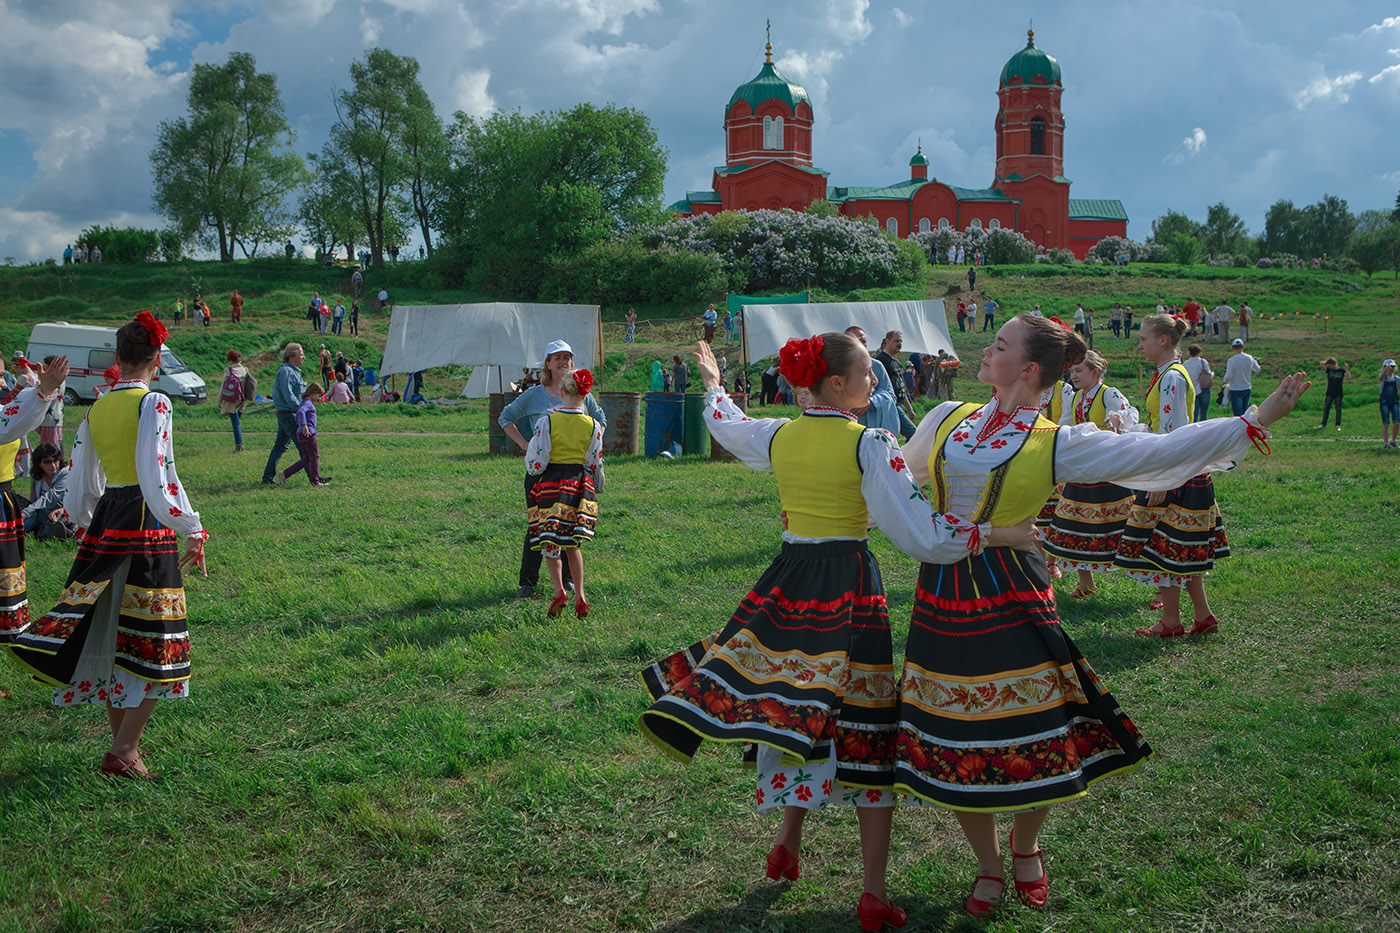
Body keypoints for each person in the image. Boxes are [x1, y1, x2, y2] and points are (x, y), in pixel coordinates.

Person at [897, 312, 1312, 917]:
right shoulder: (945, 417)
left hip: (1013, 590)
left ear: (1031, 368)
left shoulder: (1056, 441)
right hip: (942, 588)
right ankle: (987, 863)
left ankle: (1026, 846)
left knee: (1033, 720)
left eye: (1001, 344)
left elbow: (1159, 449)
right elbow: (897, 475)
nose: (986, 350)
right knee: (959, 729)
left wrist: (1254, 421)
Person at [640, 336, 1036, 932]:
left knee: (801, 704)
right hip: (848, 587)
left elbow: (729, 425)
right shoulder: (870, 443)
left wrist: (714, 384)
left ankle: (787, 839)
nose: (874, 381)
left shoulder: (779, 434)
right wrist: (995, 535)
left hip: (789, 577)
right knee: (864, 726)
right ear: (835, 385)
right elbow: (920, 533)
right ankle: (872, 892)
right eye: (866, 375)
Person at [8, 313, 205, 780]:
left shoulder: (97, 408)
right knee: (156, 637)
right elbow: (159, 475)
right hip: (144, 522)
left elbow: (80, 481)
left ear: (116, 359)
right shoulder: (154, 403)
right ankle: (123, 750)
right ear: (156, 359)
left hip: (107, 522)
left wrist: (83, 523)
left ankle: (125, 750)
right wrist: (190, 524)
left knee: (117, 632)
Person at [1116, 315, 1225, 637]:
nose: (1139, 345)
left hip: (1175, 474)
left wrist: (1164, 479)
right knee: (1179, 548)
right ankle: (1202, 616)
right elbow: (1162, 427)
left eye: (1144, 339)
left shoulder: (1172, 378)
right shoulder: (1168, 375)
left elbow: (1174, 432)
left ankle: (1171, 622)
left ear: (1163, 340)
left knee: (1158, 548)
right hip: (1180, 471)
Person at [498, 340, 607, 599]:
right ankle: (528, 582)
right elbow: (505, 418)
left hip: (573, 473)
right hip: (542, 473)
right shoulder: (535, 395)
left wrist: (587, 445)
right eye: (557, 357)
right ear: (547, 363)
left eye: (567, 357)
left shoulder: (583, 394)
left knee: (570, 525)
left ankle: (568, 581)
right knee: (538, 524)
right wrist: (526, 445)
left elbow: (600, 422)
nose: (563, 362)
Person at [1043, 350, 1139, 598]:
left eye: (1079, 371)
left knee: (1126, 525)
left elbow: (1131, 413)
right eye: (1072, 371)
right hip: (1083, 469)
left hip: (1108, 469)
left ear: (1095, 373)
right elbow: (1066, 425)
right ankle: (1086, 583)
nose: (1073, 375)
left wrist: (1117, 417)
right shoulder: (1075, 398)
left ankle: (1156, 583)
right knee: (1074, 523)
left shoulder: (1109, 393)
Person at [525, 369, 603, 619]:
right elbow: (594, 461)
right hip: (578, 486)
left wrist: (533, 470)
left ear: (561, 392)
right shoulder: (593, 425)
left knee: (550, 541)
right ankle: (580, 595)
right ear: (585, 395)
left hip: (552, 486)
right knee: (573, 543)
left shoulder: (547, 422)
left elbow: (539, 460)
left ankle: (559, 590)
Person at [261, 344, 307, 485]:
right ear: (292, 355)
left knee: (280, 446)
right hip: (289, 414)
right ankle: (314, 477)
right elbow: (289, 395)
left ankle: (268, 477)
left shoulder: (294, 371)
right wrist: (301, 409)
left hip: (286, 414)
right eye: (301, 354)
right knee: (304, 445)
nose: (303, 357)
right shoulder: (286, 372)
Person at [276, 384, 330, 486]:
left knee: (307, 458)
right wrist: (305, 425)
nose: (318, 398)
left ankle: (285, 474)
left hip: (301, 433)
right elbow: (300, 413)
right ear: (313, 393)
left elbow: (299, 414)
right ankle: (315, 481)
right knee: (314, 457)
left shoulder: (303, 402)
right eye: (318, 396)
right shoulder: (307, 403)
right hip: (308, 433)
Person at [23, 443, 72, 540]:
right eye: (47, 462)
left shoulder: (65, 473)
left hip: (62, 511)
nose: (53, 465)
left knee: (37, 517)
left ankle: (62, 532)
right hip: (41, 511)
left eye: (55, 460)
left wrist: (26, 512)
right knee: (32, 517)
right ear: (39, 464)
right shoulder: (37, 476)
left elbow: (51, 496)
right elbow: (34, 499)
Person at [875, 331, 917, 439]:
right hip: (890, 405)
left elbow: (901, 387)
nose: (899, 344)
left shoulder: (896, 362)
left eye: (901, 341)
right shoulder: (881, 361)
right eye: (896, 341)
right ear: (887, 341)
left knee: (893, 436)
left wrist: (909, 408)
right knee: (913, 433)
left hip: (899, 404)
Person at [217, 350, 255, 453]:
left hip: (232, 400)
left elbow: (222, 388)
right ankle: (239, 444)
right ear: (240, 359)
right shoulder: (245, 370)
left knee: (236, 424)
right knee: (237, 421)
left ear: (230, 359)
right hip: (243, 400)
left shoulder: (229, 371)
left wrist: (219, 402)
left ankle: (239, 446)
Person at [1224, 339, 1260, 415]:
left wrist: (1224, 381)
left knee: (1237, 413)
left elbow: (1229, 375)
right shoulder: (1249, 358)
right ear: (1243, 347)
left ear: (1233, 348)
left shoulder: (1231, 360)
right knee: (1245, 412)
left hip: (1235, 388)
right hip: (1247, 387)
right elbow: (1257, 369)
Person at [36, 356, 64, 450]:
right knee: (55, 442)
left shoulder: (54, 380)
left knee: (49, 446)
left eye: (46, 366)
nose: (44, 368)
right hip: (55, 415)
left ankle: (54, 462)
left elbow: (44, 394)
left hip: (51, 417)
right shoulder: (60, 378)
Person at [1181, 344, 1215, 424]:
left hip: (1192, 390)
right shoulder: (1203, 362)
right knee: (1204, 413)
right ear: (1199, 352)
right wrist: (1213, 374)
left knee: (1194, 414)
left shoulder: (1186, 364)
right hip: (1204, 388)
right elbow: (1209, 374)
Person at [1316, 358, 1350, 430]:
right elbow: (1321, 362)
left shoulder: (1341, 371)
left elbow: (1348, 377)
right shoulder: (1329, 371)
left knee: (1338, 409)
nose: (1330, 368)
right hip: (1329, 393)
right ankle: (1323, 424)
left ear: (1335, 364)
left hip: (1338, 393)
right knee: (1326, 409)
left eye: (1331, 366)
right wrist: (1327, 362)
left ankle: (1337, 425)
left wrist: (1346, 369)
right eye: (1329, 366)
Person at [1381, 359, 1400, 449]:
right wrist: (1385, 370)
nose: (1391, 369)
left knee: (1396, 421)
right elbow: (1380, 377)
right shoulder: (1383, 378)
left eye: (1393, 367)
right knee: (1386, 423)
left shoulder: (1396, 379)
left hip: (1394, 401)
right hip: (1384, 402)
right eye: (1389, 367)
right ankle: (1385, 443)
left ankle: (1393, 440)